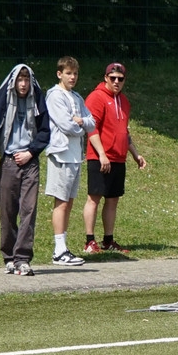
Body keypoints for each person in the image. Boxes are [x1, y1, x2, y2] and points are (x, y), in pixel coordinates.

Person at [0, 64, 51, 276]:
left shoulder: (37, 98)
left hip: (30, 162)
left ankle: (22, 258)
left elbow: (45, 131)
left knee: (29, 210)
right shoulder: (4, 99)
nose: (23, 85)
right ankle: (9, 257)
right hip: (9, 161)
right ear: (14, 82)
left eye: (26, 80)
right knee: (7, 210)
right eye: (20, 80)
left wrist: (31, 152)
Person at [44, 56, 107, 267]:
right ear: (59, 74)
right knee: (61, 202)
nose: (72, 77)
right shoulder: (54, 95)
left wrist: (80, 121)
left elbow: (92, 122)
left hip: (75, 156)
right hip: (60, 154)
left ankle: (63, 248)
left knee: (69, 202)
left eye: (75, 74)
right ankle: (58, 250)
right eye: (68, 73)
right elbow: (66, 125)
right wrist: (80, 126)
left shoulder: (77, 97)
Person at [82, 62, 147, 255]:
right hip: (100, 157)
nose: (116, 81)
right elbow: (91, 128)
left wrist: (135, 154)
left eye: (120, 78)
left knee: (112, 200)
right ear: (106, 78)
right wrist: (102, 154)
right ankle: (89, 241)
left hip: (118, 158)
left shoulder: (124, 101)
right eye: (113, 78)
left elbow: (124, 132)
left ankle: (108, 240)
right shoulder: (97, 97)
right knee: (94, 198)